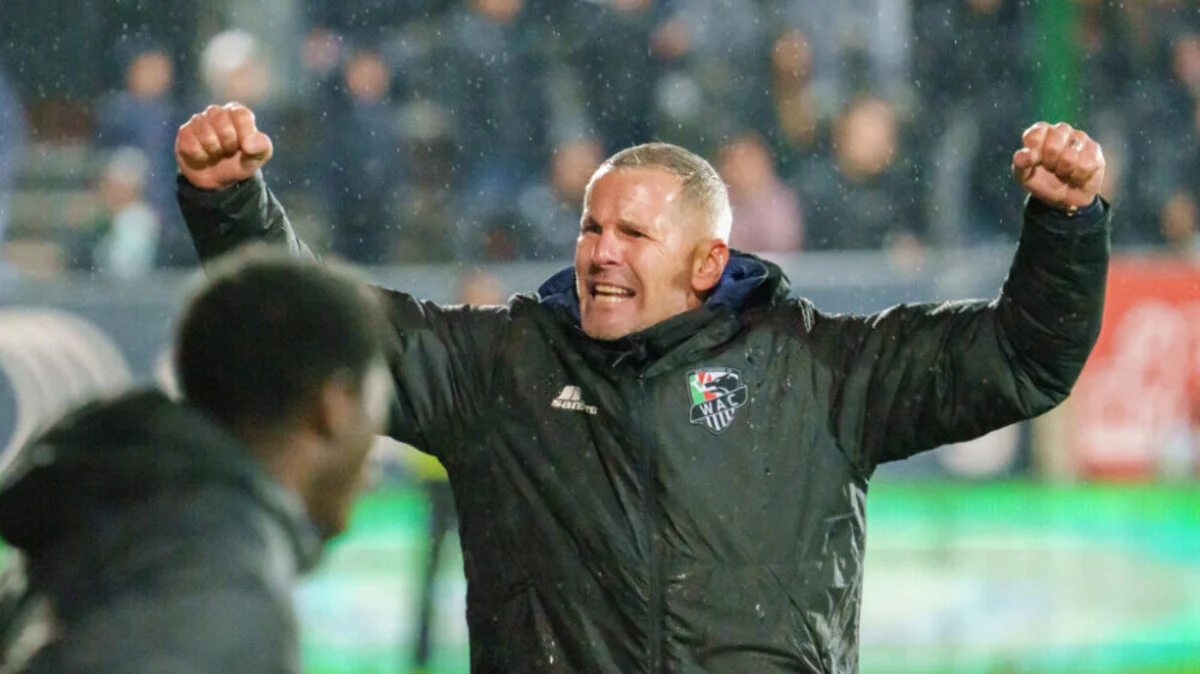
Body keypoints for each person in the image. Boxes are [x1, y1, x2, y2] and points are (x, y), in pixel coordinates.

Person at [174, 102, 1111, 672]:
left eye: (632, 234)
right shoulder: (502, 368)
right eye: (591, 229)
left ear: (708, 262)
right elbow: (321, 334)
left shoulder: (821, 370)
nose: (600, 253)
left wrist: (1065, 226)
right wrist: (231, 207)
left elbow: (1021, 359)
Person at [0, 248, 394, 673]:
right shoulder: (218, 584)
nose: (371, 470)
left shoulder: (128, 527)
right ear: (335, 404)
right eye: (376, 409)